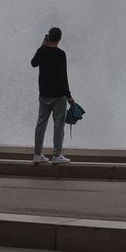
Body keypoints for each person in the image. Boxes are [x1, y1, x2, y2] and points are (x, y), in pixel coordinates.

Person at [31, 26, 76, 164]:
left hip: (44, 94)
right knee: (58, 125)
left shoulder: (41, 51)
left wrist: (42, 46)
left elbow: (33, 64)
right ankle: (57, 155)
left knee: (41, 124)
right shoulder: (61, 54)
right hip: (58, 96)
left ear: (48, 37)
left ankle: (37, 154)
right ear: (60, 38)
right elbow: (63, 76)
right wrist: (69, 96)